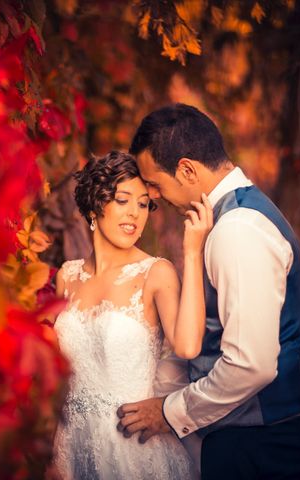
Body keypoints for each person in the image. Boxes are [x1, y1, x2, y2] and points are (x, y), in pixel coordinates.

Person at [117, 104, 300, 479]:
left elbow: (250, 365)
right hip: (252, 439)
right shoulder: (231, 217)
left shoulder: (237, 230)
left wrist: (169, 411)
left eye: (155, 184)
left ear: (187, 170)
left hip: (261, 445)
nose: (154, 198)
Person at [51, 150, 212, 479]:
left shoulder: (157, 273)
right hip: (71, 446)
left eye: (143, 204)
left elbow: (188, 346)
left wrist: (192, 251)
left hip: (133, 451)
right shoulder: (65, 276)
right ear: (96, 205)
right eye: (123, 200)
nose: (135, 214)